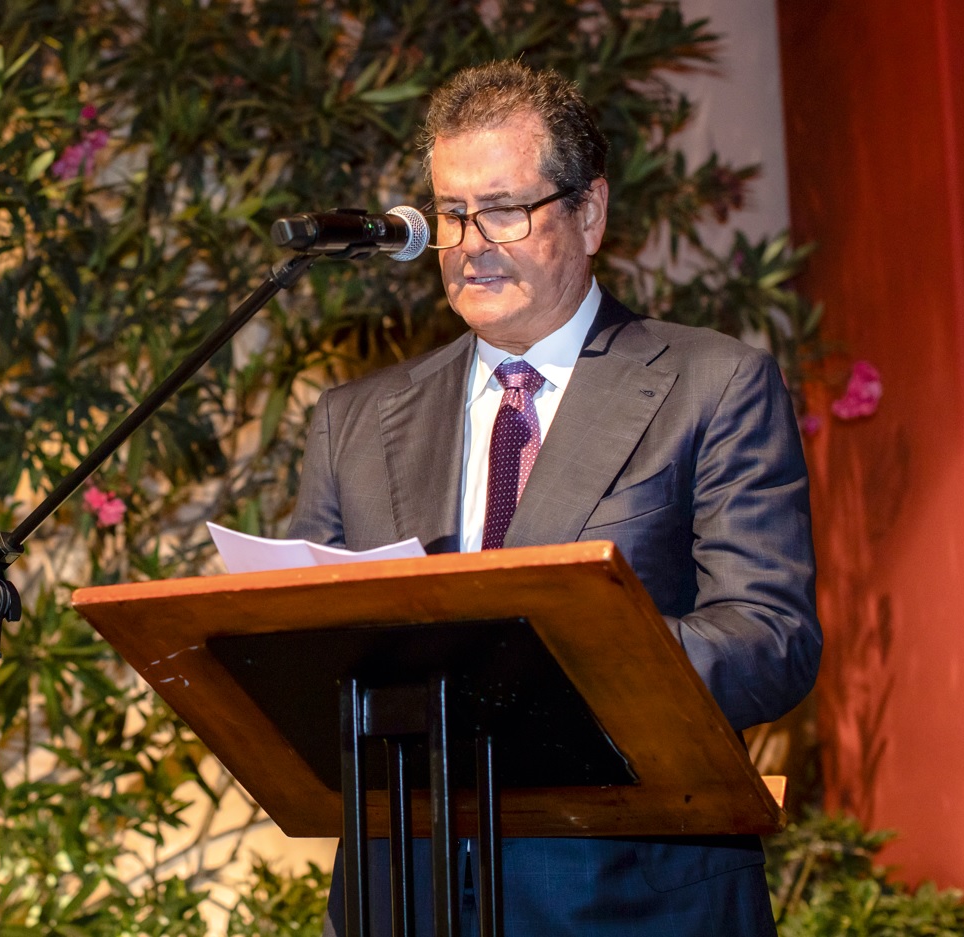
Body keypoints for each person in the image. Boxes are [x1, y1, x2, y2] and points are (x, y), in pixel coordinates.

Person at [287, 61, 821, 936]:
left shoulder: (711, 384)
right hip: (401, 900)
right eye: (451, 214)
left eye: (503, 209)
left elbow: (769, 637)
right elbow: (307, 647)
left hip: (624, 895)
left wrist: (558, 665)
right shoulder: (354, 419)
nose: (468, 242)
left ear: (589, 212)